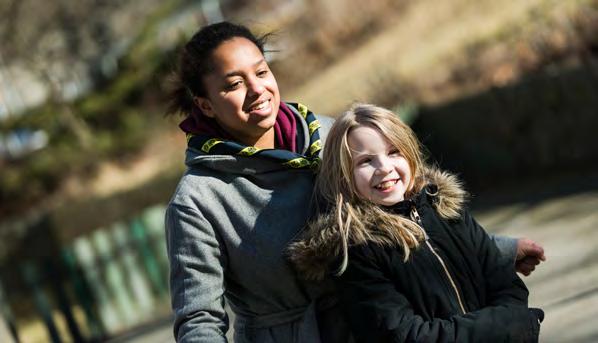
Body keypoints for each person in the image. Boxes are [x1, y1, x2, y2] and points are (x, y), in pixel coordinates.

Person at [164, 21, 544, 342]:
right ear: (205, 104)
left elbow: (406, 214)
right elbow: (200, 320)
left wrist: (501, 251)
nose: (257, 89)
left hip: (391, 326)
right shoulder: (198, 200)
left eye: (262, 72)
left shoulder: (332, 136)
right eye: (233, 83)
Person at [288, 103, 544, 342]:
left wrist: (508, 322)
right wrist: (505, 327)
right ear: (343, 176)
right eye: (366, 161)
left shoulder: (444, 208)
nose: (384, 168)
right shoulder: (357, 251)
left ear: (410, 154)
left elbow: (503, 280)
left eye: (393, 152)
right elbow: (405, 335)